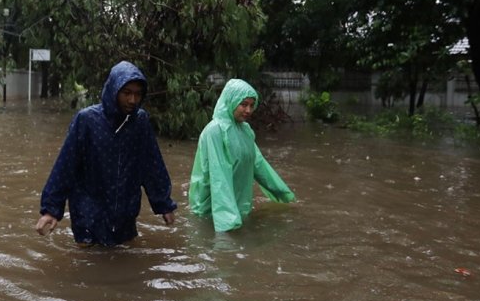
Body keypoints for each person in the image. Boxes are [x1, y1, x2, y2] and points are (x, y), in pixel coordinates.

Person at [36, 61, 176, 246]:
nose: (132, 100)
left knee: (124, 261)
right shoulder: (86, 120)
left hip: (125, 214)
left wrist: (163, 204)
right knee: (89, 262)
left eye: (137, 94)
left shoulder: (140, 122)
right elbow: (65, 165)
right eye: (127, 93)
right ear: (113, 91)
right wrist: (51, 210)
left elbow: (152, 165)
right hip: (88, 213)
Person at [188, 79, 295, 232]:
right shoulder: (215, 131)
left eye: (252, 105)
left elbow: (258, 164)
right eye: (243, 104)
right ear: (231, 101)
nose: (248, 110)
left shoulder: (245, 131)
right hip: (210, 209)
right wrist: (227, 221)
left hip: (236, 205)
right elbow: (219, 175)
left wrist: (283, 193)